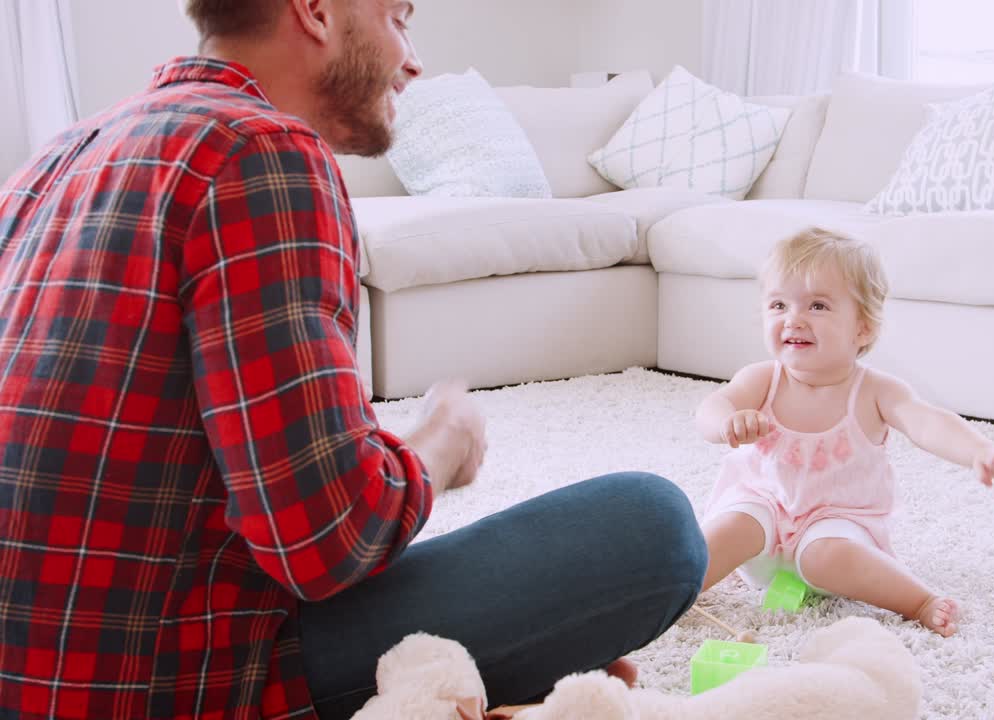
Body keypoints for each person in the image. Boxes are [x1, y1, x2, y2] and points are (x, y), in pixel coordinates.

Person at [0, 1, 707, 718]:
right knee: (653, 526)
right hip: (174, 676)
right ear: (315, 10)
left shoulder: (60, 157)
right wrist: (440, 443)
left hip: (36, 665)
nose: (413, 59)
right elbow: (327, 538)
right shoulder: (260, 149)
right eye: (398, 16)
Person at [695, 228, 994, 637]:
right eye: (779, 304)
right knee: (731, 527)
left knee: (826, 555)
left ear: (863, 328)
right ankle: (668, 590)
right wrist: (725, 423)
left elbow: (925, 420)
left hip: (835, 523)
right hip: (761, 518)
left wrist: (977, 450)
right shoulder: (762, 379)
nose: (793, 318)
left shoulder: (874, 391)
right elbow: (712, 407)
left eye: (817, 305)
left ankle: (918, 600)